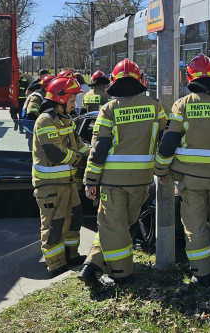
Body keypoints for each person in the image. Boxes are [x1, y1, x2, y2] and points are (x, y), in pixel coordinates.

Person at [78, 59, 167, 287]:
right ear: (140, 81)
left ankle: (121, 274)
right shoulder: (155, 106)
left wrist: (90, 180)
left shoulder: (109, 109)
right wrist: (162, 169)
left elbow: (98, 149)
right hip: (142, 181)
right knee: (120, 224)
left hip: (112, 180)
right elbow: (164, 140)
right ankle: (93, 263)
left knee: (112, 224)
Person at [154, 55, 210, 287]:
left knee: (195, 226)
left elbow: (170, 140)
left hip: (190, 179)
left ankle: (202, 275)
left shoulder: (183, 104)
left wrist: (161, 170)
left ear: (189, 77)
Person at [31, 76, 90, 275]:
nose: (74, 105)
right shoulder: (45, 120)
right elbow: (55, 152)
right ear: (61, 99)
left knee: (73, 219)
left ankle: (71, 255)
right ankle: (56, 264)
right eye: (72, 101)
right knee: (54, 224)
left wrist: (94, 155)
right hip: (50, 186)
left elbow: (78, 144)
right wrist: (78, 160)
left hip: (68, 182)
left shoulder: (66, 119)